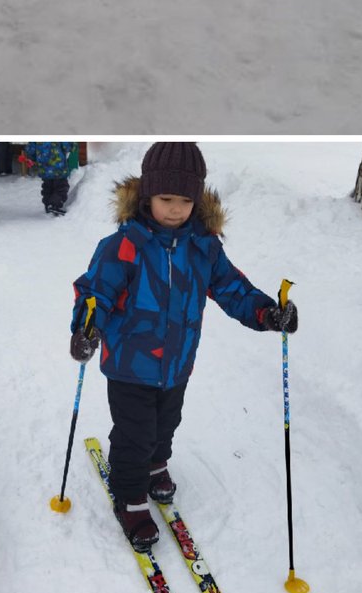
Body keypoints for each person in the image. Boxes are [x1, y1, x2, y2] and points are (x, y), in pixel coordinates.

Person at [69, 142, 295, 552]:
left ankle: (157, 465)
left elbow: (231, 287)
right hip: (129, 365)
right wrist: (86, 328)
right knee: (134, 434)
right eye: (165, 199)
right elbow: (94, 293)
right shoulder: (124, 246)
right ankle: (131, 498)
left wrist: (265, 313)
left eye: (185, 200)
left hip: (177, 363)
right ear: (147, 196)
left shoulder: (203, 248)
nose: (175, 209)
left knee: (165, 423)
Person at [24, 141, 79, 216]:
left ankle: (48, 205)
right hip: (58, 167)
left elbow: (31, 149)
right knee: (61, 187)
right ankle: (54, 205)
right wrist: (73, 145)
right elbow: (67, 146)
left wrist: (32, 157)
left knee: (47, 187)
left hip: (44, 167)